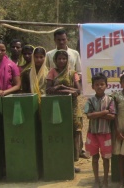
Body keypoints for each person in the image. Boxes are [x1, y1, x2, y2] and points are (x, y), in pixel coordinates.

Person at [45, 29, 86, 159]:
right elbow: (47, 75)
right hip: (56, 98)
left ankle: (78, 151)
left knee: (76, 124)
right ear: (55, 40)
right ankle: (61, 150)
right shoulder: (49, 55)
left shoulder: (74, 53)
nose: (61, 42)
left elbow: (78, 72)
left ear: (67, 39)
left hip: (72, 93)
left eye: (64, 39)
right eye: (59, 40)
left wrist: (73, 86)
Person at [46, 50, 83, 173]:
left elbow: (77, 91)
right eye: (59, 59)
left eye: (64, 59)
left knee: (72, 135)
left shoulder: (73, 73)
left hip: (72, 108)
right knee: (59, 134)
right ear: (55, 61)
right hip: (57, 108)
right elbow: (48, 90)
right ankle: (58, 162)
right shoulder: (52, 72)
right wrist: (61, 89)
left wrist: (63, 87)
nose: (61, 61)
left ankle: (71, 164)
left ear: (67, 60)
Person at [84, 73, 116, 187]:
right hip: (93, 133)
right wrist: (103, 112)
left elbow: (112, 116)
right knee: (95, 157)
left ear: (106, 85)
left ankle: (106, 180)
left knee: (106, 158)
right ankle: (96, 180)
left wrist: (96, 114)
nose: (99, 87)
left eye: (102, 84)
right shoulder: (90, 100)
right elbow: (88, 115)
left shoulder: (110, 99)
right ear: (93, 86)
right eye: (97, 84)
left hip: (105, 133)